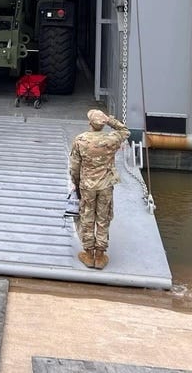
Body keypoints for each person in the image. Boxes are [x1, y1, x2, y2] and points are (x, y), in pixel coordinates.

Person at [68, 109, 130, 270]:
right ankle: (100, 255)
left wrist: (76, 183)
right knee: (103, 218)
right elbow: (125, 131)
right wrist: (109, 120)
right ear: (102, 125)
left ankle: (88, 254)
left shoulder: (80, 140)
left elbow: (74, 166)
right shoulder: (111, 140)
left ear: (90, 123)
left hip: (87, 186)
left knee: (87, 216)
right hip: (105, 185)